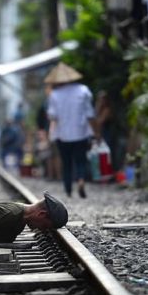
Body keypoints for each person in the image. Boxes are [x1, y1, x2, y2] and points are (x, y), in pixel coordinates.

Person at [45, 63, 95, 198]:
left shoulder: (54, 95)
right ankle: (81, 180)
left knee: (66, 162)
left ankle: (68, 189)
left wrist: (51, 133)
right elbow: (90, 113)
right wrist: (96, 132)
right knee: (80, 160)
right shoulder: (84, 90)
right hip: (81, 132)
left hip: (63, 134)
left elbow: (52, 116)